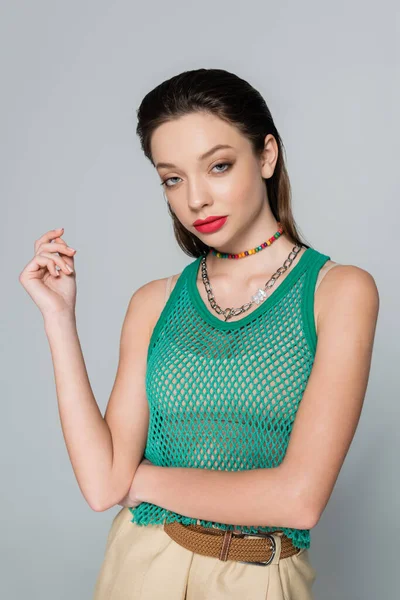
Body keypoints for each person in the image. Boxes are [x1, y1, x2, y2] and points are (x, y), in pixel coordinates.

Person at [19, 68, 380, 599]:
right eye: (172, 178)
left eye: (218, 166)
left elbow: (298, 500)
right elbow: (100, 486)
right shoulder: (154, 302)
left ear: (266, 155)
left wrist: (136, 480)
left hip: (257, 578)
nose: (196, 199)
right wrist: (59, 318)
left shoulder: (339, 291)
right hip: (140, 568)